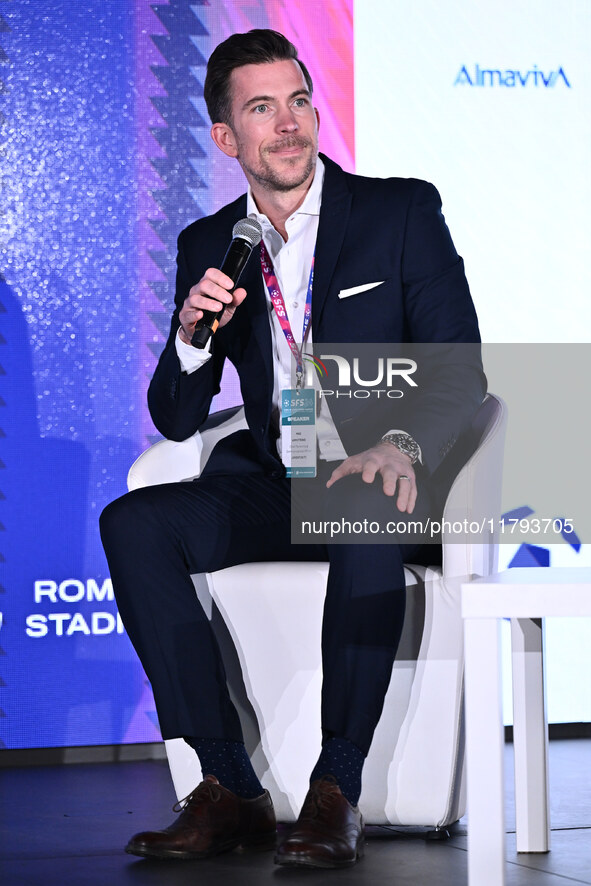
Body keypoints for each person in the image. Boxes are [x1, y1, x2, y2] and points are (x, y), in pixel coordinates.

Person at [100, 28, 485, 869]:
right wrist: (193, 338)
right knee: (134, 523)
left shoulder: (397, 210)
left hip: (380, 479)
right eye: (262, 108)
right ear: (226, 138)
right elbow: (175, 416)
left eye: (300, 101)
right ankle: (226, 787)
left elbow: (459, 369)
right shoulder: (211, 245)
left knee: (362, 499)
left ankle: (334, 787)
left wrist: (397, 443)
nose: (288, 125)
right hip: (277, 478)